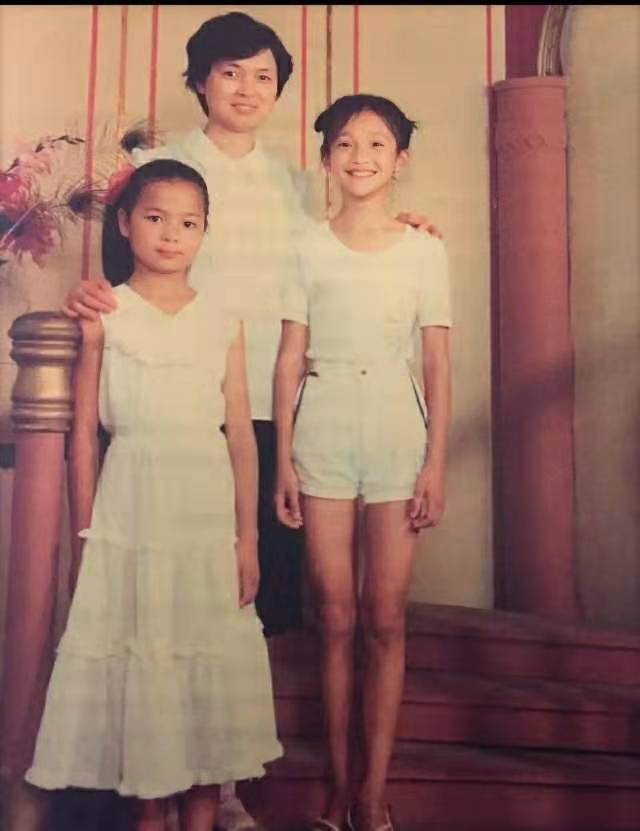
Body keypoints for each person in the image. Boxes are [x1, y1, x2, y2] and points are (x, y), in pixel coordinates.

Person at [24, 159, 282, 831]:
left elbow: (240, 435)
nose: (172, 234)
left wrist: (248, 539)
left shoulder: (223, 320)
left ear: (205, 232)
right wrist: (86, 537)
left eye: (189, 223)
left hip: (205, 515)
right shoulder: (106, 315)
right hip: (131, 511)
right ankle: (148, 814)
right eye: (156, 218)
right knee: (143, 656)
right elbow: (85, 436)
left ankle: (201, 815)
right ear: (125, 223)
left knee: (205, 661)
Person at [274, 94, 452, 831]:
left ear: (399, 159)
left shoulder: (425, 248)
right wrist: (283, 461)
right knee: (334, 611)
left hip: (395, 429)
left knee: (384, 615)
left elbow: (437, 362)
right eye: (345, 144)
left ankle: (373, 795)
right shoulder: (306, 245)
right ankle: (338, 785)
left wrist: (435, 462)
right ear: (326, 159)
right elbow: (289, 357)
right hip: (323, 422)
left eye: (377, 144)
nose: (360, 157)